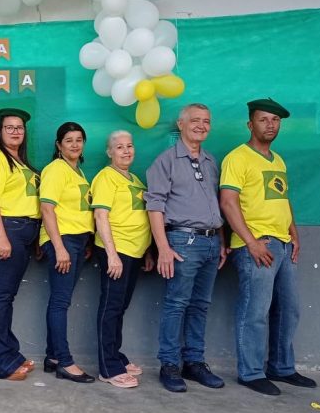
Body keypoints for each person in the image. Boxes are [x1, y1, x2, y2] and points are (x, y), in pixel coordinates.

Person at [220, 98, 316, 395]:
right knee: (255, 310)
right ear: (250, 124)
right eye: (263, 120)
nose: (270, 125)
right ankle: (251, 373)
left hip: (283, 244)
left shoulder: (278, 160)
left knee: (288, 310)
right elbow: (228, 202)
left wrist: (294, 234)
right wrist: (251, 242)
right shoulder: (237, 158)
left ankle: (281, 367)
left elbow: (282, 200)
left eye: (275, 120)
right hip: (256, 245)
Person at [145, 103, 226, 392]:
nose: (201, 126)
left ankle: (194, 362)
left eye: (206, 121)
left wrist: (221, 241)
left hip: (211, 242)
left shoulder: (211, 161)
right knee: (176, 303)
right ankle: (169, 364)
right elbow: (154, 206)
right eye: (195, 120)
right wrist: (163, 248)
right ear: (181, 124)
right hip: (182, 242)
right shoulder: (165, 161)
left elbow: (215, 203)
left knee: (200, 305)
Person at [0, 108, 40, 381]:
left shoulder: (20, 162)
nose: (15, 131)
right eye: (9, 127)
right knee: (1, 297)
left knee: (7, 298)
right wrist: (2, 237)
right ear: (0, 131)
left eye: (19, 127)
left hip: (23, 233)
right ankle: (0, 364)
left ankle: (10, 354)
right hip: (6, 232)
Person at [91, 130, 153, 389]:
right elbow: (100, 216)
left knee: (120, 307)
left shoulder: (134, 179)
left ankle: (115, 355)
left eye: (129, 146)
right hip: (117, 251)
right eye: (119, 147)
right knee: (111, 308)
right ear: (109, 152)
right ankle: (108, 368)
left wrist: (146, 251)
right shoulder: (106, 177)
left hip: (134, 252)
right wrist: (112, 254)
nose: (126, 151)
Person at [40, 122, 95, 383]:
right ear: (58, 145)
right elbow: (47, 209)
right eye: (69, 140)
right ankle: (64, 361)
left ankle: (52, 357)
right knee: (60, 302)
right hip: (63, 241)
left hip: (77, 241)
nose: (74, 144)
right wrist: (60, 247)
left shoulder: (78, 172)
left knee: (61, 300)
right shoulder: (56, 170)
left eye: (79, 140)